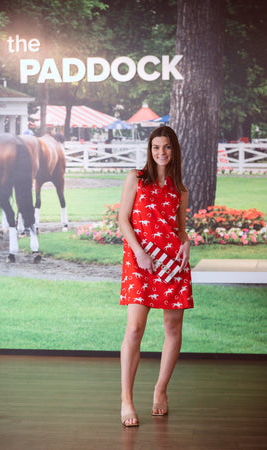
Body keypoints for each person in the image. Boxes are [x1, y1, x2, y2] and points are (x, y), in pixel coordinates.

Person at [119, 125, 194, 427]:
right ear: (149, 151)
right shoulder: (135, 179)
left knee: (172, 328)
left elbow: (180, 229)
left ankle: (160, 391)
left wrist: (186, 242)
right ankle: (126, 399)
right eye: (155, 148)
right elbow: (123, 220)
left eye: (166, 147)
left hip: (172, 264)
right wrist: (138, 251)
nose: (161, 153)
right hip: (140, 261)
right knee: (135, 330)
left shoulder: (181, 189)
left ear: (174, 150)